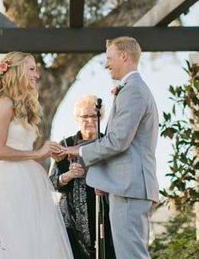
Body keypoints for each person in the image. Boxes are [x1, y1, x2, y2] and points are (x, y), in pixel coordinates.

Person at [0, 52, 73, 259]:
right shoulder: (4, 103)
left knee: (33, 239)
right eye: (31, 69)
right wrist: (38, 153)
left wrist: (50, 152)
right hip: (8, 180)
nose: (36, 75)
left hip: (28, 179)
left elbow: (22, 147)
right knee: (12, 238)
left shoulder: (24, 106)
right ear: (16, 71)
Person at [64, 37, 159, 259]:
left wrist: (78, 150)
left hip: (130, 188)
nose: (106, 64)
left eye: (109, 58)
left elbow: (117, 142)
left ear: (124, 56)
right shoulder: (132, 89)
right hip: (129, 187)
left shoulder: (133, 90)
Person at [49, 95, 116, 259]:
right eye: (85, 116)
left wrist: (106, 186)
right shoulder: (65, 145)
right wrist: (69, 175)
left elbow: (119, 176)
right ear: (77, 118)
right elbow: (51, 183)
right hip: (72, 221)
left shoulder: (108, 143)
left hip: (105, 214)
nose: (90, 120)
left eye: (94, 116)